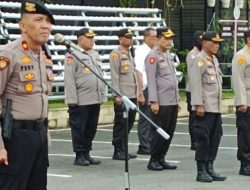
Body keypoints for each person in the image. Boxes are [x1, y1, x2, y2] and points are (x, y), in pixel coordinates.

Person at [0, 0, 54, 189]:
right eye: (39, 20)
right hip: (15, 137)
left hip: (39, 134)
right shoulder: (9, 55)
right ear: (22, 26)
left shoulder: (44, 56)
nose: (46, 26)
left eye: (48, 21)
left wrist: (44, 135)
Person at [64, 28, 105, 166]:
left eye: (93, 37)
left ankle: (87, 152)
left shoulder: (94, 54)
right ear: (79, 39)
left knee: (91, 128)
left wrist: (102, 95)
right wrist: (72, 100)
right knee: (79, 129)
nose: (92, 40)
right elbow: (69, 79)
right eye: (88, 37)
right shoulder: (73, 54)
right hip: (81, 100)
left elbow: (100, 76)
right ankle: (79, 154)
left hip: (95, 98)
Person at [190, 32, 227, 182]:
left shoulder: (214, 59)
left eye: (218, 43)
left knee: (215, 137)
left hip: (215, 107)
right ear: (204, 43)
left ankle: (210, 167)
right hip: (204, 107)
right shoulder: (199, 60)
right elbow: (196, 83)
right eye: (214, 42)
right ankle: (201, 170)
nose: (217, 45)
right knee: (203, 139)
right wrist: (198, 104)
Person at [145, 27, 179, 171]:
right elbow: (151, 80)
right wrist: (154, 101)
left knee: (169, 131)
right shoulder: (152, 56)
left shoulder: (169, 55)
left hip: (171, 100)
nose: (169, 41)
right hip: (161, 101)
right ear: (157, 39)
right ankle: (153, 159)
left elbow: (172, 79)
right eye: (166, 38)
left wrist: (177, 100)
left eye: (171, 38)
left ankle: (161, 157)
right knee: (159, 131)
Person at [109, 28, 137, 160]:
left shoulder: (130, 52)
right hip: (123, 94)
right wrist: (117, 95)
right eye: (127, 37)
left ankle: (124, 148)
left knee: (129, 123)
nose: (130, 39)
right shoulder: (116, 53)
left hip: (132, 93)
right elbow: (115, 75)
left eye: (131, 37)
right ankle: (118, 149)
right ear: (120, 39)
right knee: (120, 123)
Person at [135, 28, 157, 155]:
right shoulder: (141, 51)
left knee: (153, 117)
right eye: (153, 37)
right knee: (145, 117)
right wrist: (140, 92)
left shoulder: (153, 51)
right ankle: (144, 145)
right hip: (145, 87)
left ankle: (150, 143)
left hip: (154, 86)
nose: (155, 39)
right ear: (146, 38)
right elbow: (138, 71)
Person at [232, 30, 250, 176]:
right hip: (247, 100)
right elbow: (238, 81)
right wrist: (241, 102)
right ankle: (245, 163)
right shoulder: (241, 56)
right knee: (245, 133)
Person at [185, 31, 204, 150]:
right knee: (194, 116)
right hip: (192, 90)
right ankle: (194, 141)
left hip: (201, 90)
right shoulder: (193, 55)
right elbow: (194, 76)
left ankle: (199, 139)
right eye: (200, 40)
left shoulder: (202, 54)